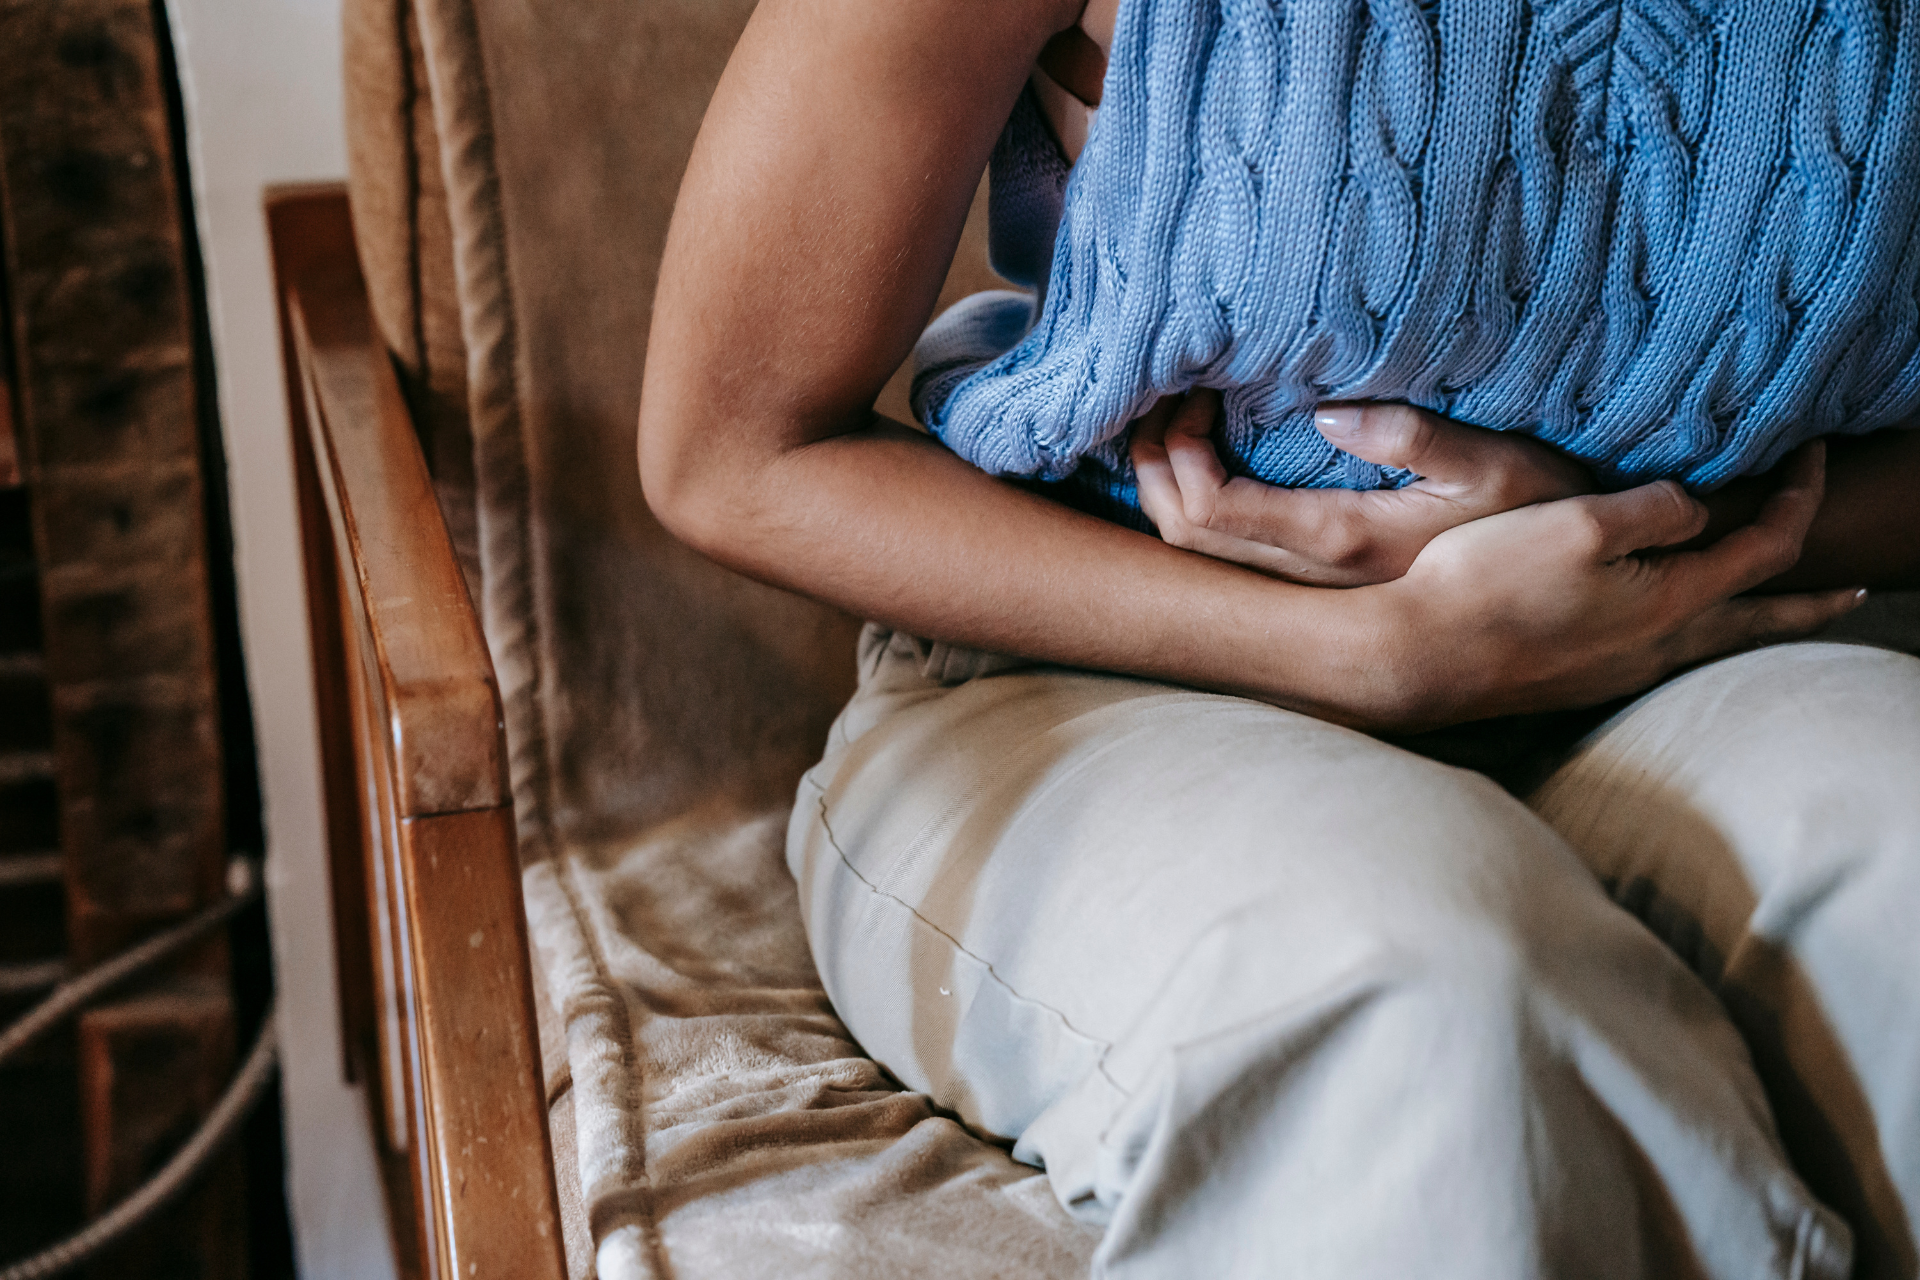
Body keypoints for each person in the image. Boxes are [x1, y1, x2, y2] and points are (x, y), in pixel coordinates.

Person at [636, 0, 1920, 1274]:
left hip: (1688, 646)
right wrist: (1377, 652)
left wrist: (1632, 540)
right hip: (1103, 680)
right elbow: (733, 450)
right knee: (1437, 1007)